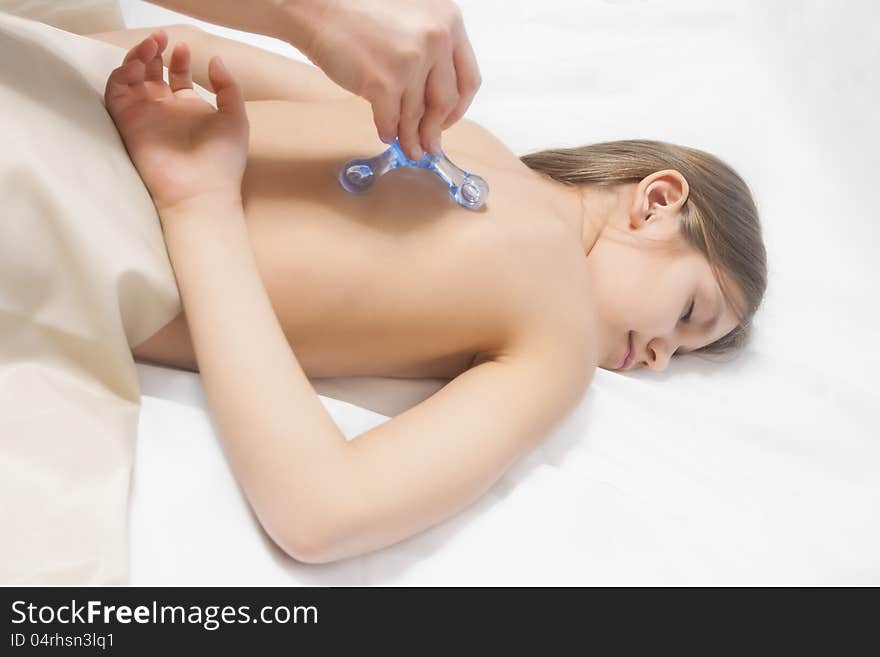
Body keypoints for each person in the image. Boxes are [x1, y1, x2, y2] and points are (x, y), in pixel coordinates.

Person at [93, 26, 767, 564]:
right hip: (85, 239)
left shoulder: (464, 136)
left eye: (678, 356)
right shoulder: (559, 332)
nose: (657, 357)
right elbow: (322, 512)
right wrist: (200, 208)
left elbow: (187, 50)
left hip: (77, 131)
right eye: (688, 313)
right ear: (656, 201)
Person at [142, 0, 482, 162]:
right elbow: (185, 49)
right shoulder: (465, 137)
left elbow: (182, 48)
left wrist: (194, 207)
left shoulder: (467, 136)